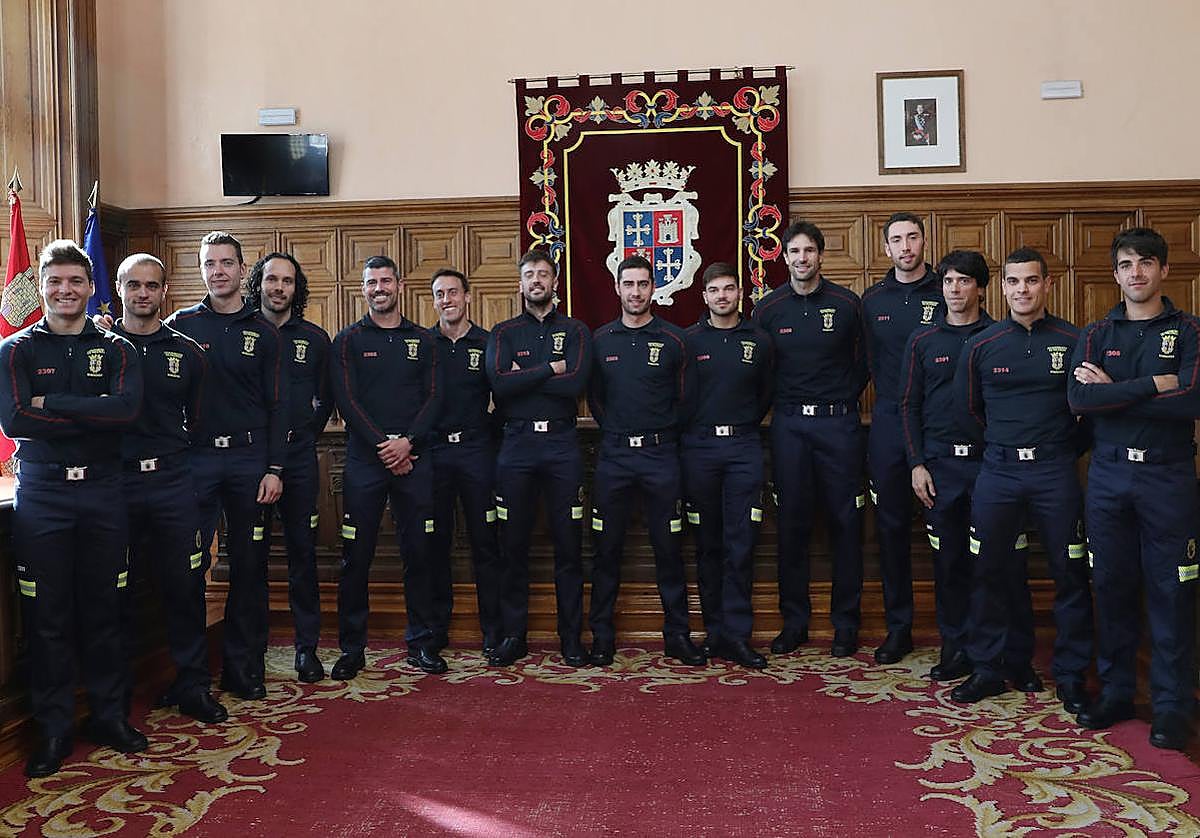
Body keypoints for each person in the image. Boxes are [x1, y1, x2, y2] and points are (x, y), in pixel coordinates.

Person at [0, 240, 146, 777]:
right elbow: (14, 422)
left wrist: (53, 405)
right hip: (44, 496)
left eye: (75, 282)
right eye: (55, 282)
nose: (65, 291)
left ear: (90, 288)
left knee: (107, 610)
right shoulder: (15, 350)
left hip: (105, 491)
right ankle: (54, 727)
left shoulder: (117, 349)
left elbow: (127, 412)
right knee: (49, 618)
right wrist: (92, 413)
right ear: (40, 287)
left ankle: (109, 716)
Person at [1068, 227, 1200, 750]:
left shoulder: (1189, 330)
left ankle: (1172, 705)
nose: (1137, 272)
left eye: (1147, 262)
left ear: (1164, 270)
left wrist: (1115, 392)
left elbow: (1191, 399)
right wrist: (1154, 385)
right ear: (1116, 273)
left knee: (1173, 591)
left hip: (1167, 476)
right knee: (1113, 586)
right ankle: (1118, 690)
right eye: (1126, 264)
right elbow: (1080, 400)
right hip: (1108, 475)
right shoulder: (1097, 333)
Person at [951, 247, 1093, 712]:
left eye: (1031, 281)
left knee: (1069, 573)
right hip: (999, 471)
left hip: (1055, 472)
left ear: (1047, 284)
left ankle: (1071, 675)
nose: (1023, 290)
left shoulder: (1074, 340)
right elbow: (968, 411)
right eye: (1014, 282)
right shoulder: (982, 344)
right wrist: (1002, 447)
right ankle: (989, 668)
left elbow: (1089, 413)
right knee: (989, 571)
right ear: (1003, 287)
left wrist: (1058, 451)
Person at [900, 250, 1034, 682]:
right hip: (940, 468)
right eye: (947, 282)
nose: (954, 290)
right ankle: (957, 649)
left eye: (963, 281)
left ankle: (1013, 657)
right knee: (950, 564)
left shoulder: (1001, 335)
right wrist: (917, 464)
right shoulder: (923, 340)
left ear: (981, 287)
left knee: (1002, 565)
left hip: (992, 469)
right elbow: (907, 406)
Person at [165, 231, 287, 701]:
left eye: (226, 262)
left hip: (249, 462)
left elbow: (279, 407)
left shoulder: (265, 331)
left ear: (242, 269)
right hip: (194, 463)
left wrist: (274, 467)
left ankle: (243, 669)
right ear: (201, 271)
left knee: (249, 570)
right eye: (209, 263)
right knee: (186, 570)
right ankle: (190, 676)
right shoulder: (179, 326)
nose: (218, 271)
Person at [112, 253, 227, 724]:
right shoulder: (100, 346)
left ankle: (192, 684)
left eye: (151, 286)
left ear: (164, 292)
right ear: (119, 288)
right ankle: (113, 699)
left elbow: (200, 425)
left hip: (172, 484)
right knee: (114, 592)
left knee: (185, 587)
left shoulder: (188, 353)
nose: (143, 293)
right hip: (114, 487)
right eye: (133, 285)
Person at [752, 221, 868, 657]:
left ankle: (846, 624)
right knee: (792, 527)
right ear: (784, 258)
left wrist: (839, 400)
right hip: (789, 428)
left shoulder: (846, 304)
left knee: (846, 524)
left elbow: (864, 363)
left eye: (809, 251)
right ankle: (794, 622)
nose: (802, 259)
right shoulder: (768, 309)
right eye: (794, 252)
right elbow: (761, 370)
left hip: (838, 426)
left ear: (821, 255)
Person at [330, 255, 446, 676]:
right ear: (363, 289)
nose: (379, 288)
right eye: (371, 282)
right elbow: (346, 401)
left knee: (420, 555)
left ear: (399, 285)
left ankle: (422, 642)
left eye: (385, 280)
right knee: (355, 557)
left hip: (415, 459)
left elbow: (435, 398)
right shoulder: (347, 341)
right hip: (366, 462)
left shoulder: (425, 341)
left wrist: (407, 443)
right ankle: (352, 648)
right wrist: (384, 446)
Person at [589, 254, 704, 667]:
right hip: (615, 455)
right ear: (617, 288)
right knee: (606, 550)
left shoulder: (675, 339)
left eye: (642, 284)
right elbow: (596, 399)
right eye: (628, 284)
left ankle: (677, 636)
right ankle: (601, 637)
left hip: (661, 456)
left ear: (653, 289)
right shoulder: (600, 340)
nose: (635, 292)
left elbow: (686, 399)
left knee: (669, 549)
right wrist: (619, 429)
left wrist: (658, 432)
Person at [485, 250, 591, 667]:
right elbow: (499, 385)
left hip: (562, 446)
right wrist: (552, 368)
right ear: (520, 283)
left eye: (544, 274)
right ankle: (514, 636)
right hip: (516, 446)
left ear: (555, 282)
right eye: (529, 275)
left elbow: (575, 386)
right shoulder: (504, 331)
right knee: (513, 546)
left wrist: (524, 374)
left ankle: (571, 638)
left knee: (569, 546)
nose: (536, 281)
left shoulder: (577, 330)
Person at [861, 211, 943, 664]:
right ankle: (899, 628)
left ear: (924, 242)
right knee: (890, 529)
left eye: (913, 237)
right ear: (886, 248)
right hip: (890, 421)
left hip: (941, 422)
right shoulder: (872, 300)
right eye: (897, 239)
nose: (906, 246)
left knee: (948, 526)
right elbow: (862, 361)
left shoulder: (948, 289)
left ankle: (959, 628)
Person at [246, 252, 332, 683]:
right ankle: (253, 652)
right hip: (249, 459)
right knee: (251, 560)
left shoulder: (314, 340)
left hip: (298, 460)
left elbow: (326, 399)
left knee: (303, 556)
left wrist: (302, 436)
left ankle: (307, 650)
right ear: (258, 283)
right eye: (272, 279)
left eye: (288, 281)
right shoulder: (241, 331)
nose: (279, 288)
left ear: (297, 290)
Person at [682, 262, 773, 668]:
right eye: (714, 290)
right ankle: (713, 632)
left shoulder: (760, 339)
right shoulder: (687, 341)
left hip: (743, 447)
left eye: (729, 289)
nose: (722, 296)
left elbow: (767, 392)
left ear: (741, 293)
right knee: (707, 544)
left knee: (741, 544)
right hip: (699, 449)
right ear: (704, 297)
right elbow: (680, 397)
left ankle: (737, 635)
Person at [427, 268, 503, 656]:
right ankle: (437, 630)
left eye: (453, 292)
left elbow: (504, 396)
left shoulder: (487, 342)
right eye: (440, 294)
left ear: (468, 297)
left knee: (485, 544)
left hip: (477, 452)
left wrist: (485, 430)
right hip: (435, 454)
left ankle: (493, 631)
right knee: (436, 545)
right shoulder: (424, 344)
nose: (447, 300)